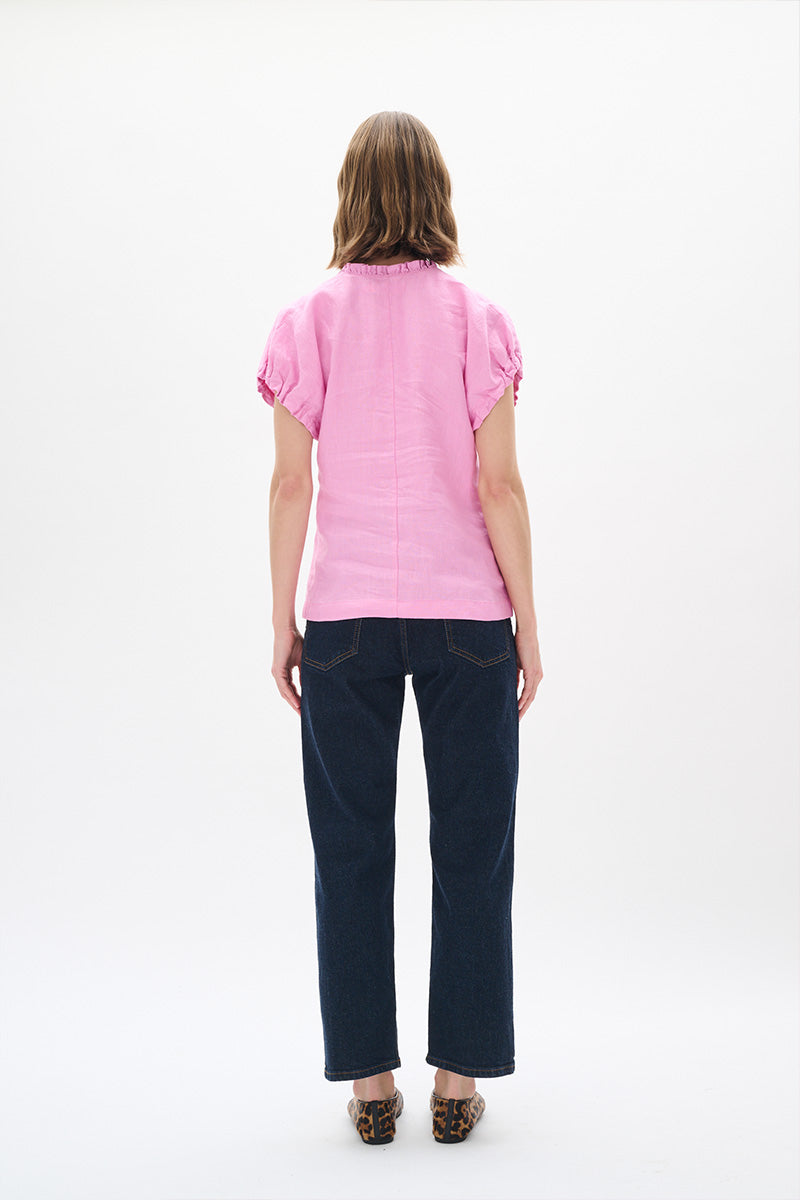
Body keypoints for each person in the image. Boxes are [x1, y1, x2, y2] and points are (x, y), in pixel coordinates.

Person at [256, 111, 543, 1145]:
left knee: (347, 851)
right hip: (466, 616)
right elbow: (499, 485)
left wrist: (282, 620)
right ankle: (457, 1079)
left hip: (344, 621)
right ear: (436, 193)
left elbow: (291, 484)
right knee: (473, 848)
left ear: (349, 195)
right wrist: (528, 622)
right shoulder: (476, 319)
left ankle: (371, 1086)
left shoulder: (306, 321)